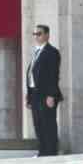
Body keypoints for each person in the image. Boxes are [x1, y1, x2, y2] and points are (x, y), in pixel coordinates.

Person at [26, 24, 62, 156]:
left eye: (39, 34)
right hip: (35, 94)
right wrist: (29, 96)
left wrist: (51, 95)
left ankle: (51, 151)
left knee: (48, 123)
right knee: (38, 123)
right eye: (34, 34)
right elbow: (31, 74)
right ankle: (42, 151)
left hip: (46, 94)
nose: (36, 36)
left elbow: (54, 75)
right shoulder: (37, 52)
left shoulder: (52, 52)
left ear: (47, 35)